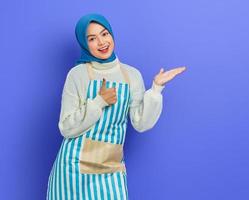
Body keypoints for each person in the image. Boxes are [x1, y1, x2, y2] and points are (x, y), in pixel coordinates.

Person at [46, 13, 186, 200]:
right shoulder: (77, 75)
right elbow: (65, 127)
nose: (101, 42)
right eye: (92, 38)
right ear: (84, 44)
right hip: (73, 169)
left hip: (110, 167)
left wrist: (156, 89)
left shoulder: (131, 75)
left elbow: (141, 123)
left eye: (104, 34)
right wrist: (98, 102)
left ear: (112, 35)